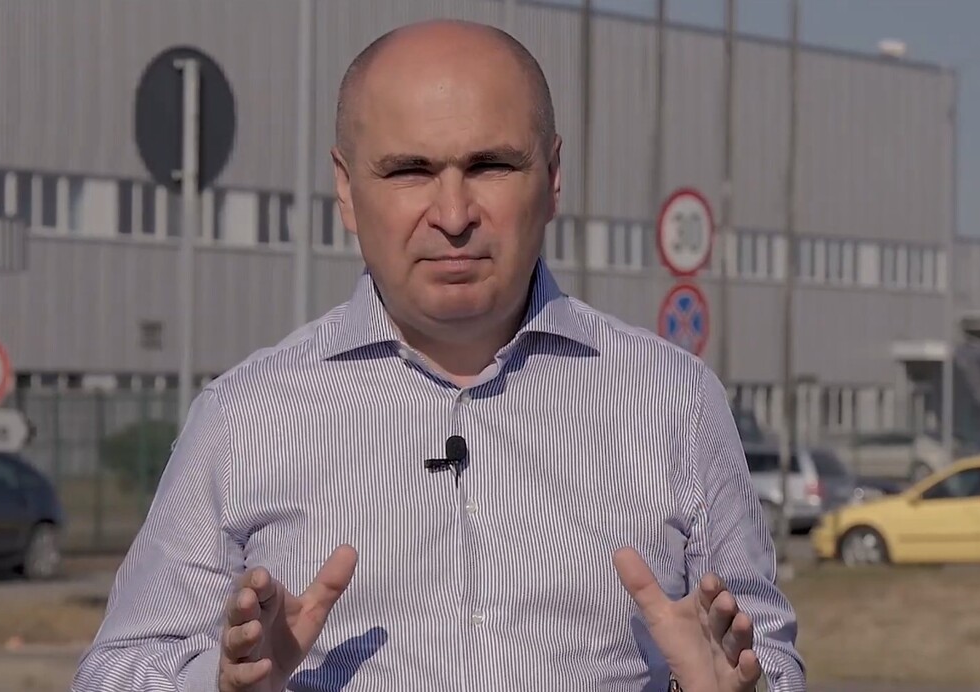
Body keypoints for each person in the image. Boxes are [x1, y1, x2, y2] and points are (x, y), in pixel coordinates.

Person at [73, 18, 805, 692]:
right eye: (409, 171)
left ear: (553, 176)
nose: (453, 216)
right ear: (346, 189)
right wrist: (221, 684)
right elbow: (116, 672)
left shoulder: (674, 399)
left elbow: (763, 656)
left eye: (490, 166)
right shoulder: (244, 416)